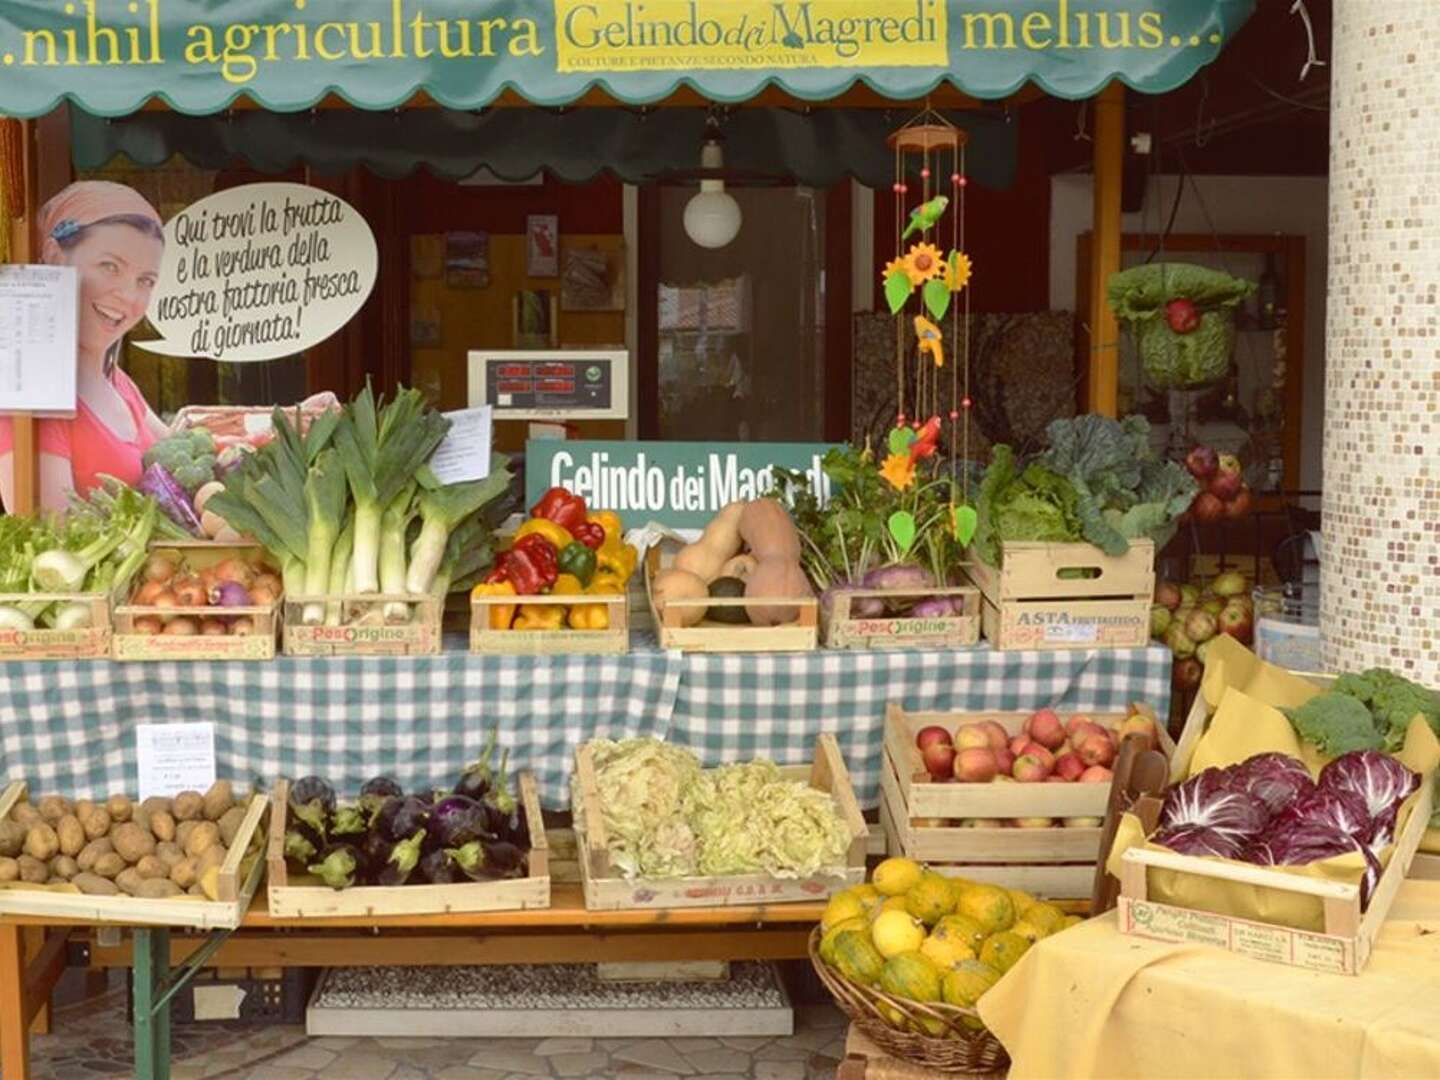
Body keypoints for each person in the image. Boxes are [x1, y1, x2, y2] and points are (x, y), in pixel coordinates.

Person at [0, 181, 171, 513]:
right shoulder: (34, 395)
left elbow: (179, 443)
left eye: (145, 281)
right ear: (54, 256)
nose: (129, 296)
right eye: (110, 267)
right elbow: (51, 535)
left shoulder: (113, 378)